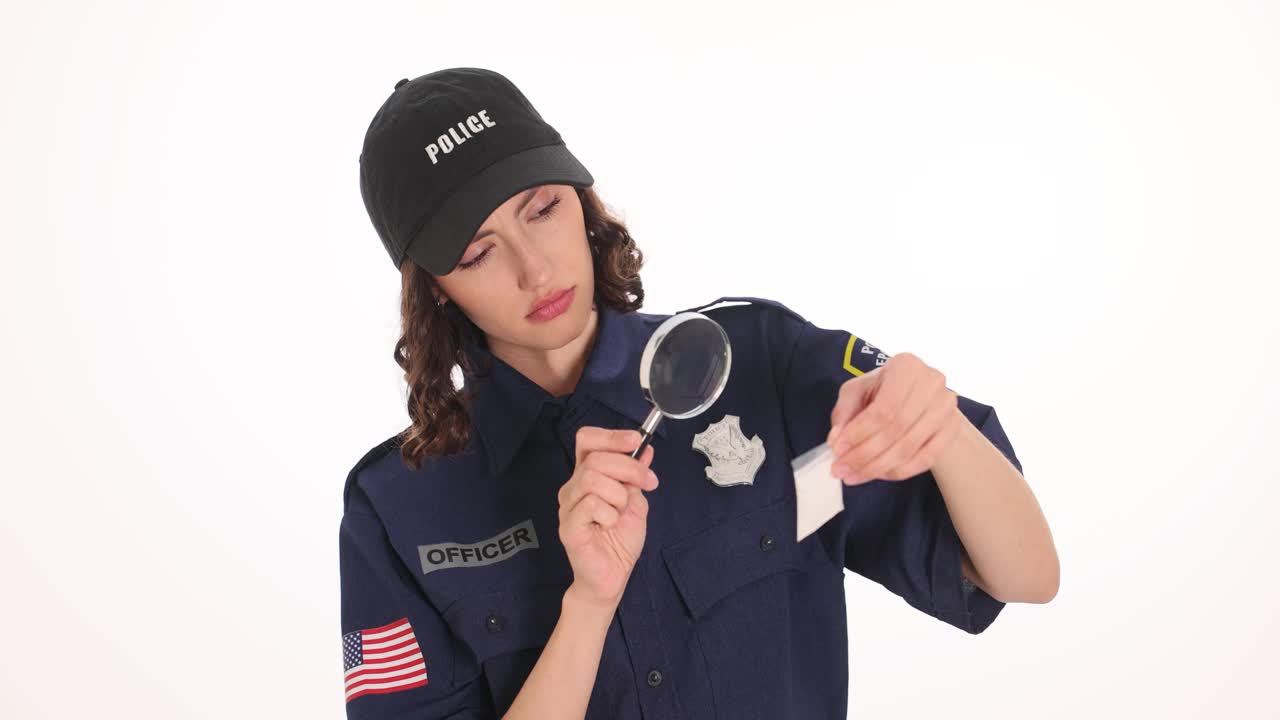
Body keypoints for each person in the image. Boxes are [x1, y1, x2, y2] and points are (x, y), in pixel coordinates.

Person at [340, 67, 1057, 720]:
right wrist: (588, 606)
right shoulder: (399, 508)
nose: (535, 270)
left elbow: (1027, 575)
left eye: (541, 209)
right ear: (432, 289)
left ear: (583, 200)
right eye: (478, 252)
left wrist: (940, 426)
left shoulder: (760, 364)